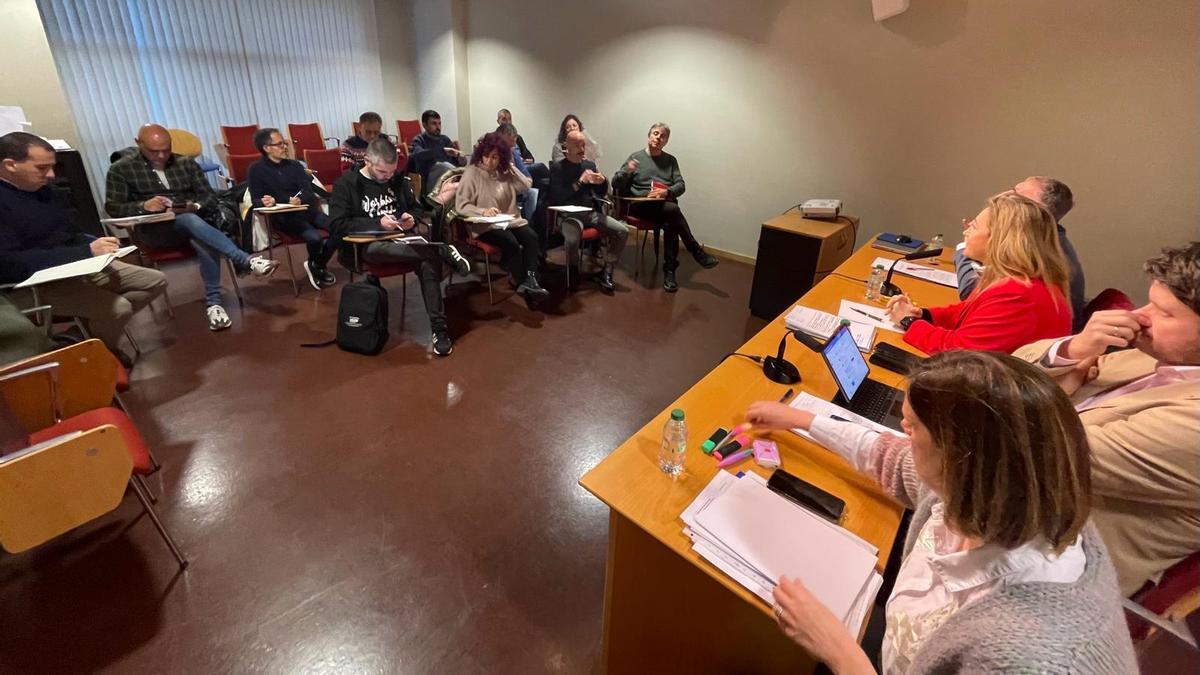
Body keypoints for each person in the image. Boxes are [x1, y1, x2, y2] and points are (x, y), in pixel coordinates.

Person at [745, 350, 1136, 673]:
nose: (902, 431)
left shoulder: (1029, 656)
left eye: (913, 427)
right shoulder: (1003, 492)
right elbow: (892, 457)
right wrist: (802, 420)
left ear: (959, 457)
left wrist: (841, 654)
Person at [1014, 242, 1200, 596]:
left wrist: (1066, 388)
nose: (1140, 316)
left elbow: (1038, 451)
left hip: (1042, 575)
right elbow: (1014, 367)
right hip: (1009, 506)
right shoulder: (1155, 358)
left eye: (1165, 313)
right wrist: (1071, 352)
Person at [0, 132, 166, 363]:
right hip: (30, 286)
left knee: (154, 281)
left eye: (52, 167)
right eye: (41, 168)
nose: (51, 175)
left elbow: (70, 233)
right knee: (118, 308)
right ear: (10, 165)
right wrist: (85, 252)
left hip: (74, 268)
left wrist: (93, 243)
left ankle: (82, 338)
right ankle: (100, 356)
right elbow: (9, 264)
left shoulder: (46, 192)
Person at [105, 124, 278, 332]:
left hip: (195, 226)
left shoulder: (185, 164)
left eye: (166, 149)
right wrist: (143, 205)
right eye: (153, 151)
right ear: (138, 143)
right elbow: (114, 208)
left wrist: (194, 205)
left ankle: (214, 305)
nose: (161, 155)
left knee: (199, 233)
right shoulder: (121, 169)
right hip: (155, 232)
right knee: (192, 223)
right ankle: (245, 260)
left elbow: (208, 197)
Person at [328, 138, 471, 357]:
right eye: (382, 172)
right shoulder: (346, 183)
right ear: (367, 160)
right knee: (414, 253)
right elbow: (337, 225)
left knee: (426, 261)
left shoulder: (397, 180)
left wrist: (410, 218)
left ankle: (439, 329)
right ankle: (441, 249)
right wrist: (377, 223)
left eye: (392, 171)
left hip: (402, 241)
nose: (388, 177)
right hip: (367, 246)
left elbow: (415, 209)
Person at [885, 192, 1071, 354]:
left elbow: (961, 352)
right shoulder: (1011, 278)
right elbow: (966, 313)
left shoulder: (1019, 294)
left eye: (973, 226)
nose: (965, 232)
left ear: (998, 239)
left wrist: (908, 321)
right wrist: (924, 315)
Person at [955, 176, 1088, 329]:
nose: (1005, 195)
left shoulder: (1038, 252)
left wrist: (966, 246)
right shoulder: (1049, 241)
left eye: (1016, 193)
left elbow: (971, 293)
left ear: (1032, 210)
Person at [612, 122, 718, 292]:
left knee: (671, 222)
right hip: (640, 204)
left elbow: (681, 185)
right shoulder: (635, 158)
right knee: (673, 211)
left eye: (663, 136)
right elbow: (615, 183)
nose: (658, 138)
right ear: (648, 136)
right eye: (655, 133)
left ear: (666, 141)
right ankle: (695, 251)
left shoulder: (670, 161)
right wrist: (627, 172)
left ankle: (670, 271)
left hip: (663, 206)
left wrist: (665, 192)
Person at [455, 132, 548, 305]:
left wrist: (512, 168)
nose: (490, 161)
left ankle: (531, 280)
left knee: (531, 237)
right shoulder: (472, 173)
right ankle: (525, 287)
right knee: (511, 242)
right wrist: (483, 211)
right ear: (481, 154)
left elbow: (526, 185)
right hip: (485, 226)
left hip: (509, 220)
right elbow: (462, 206)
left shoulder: (504, 172)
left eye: (495, 157)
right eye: (486, 156)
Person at [248, 128, 339, 289]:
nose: (284, 147)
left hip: (306, 210)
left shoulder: (295, 165)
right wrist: (267, 202)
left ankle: (317, 264)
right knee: (314, 237)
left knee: (339, 228)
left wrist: (300, 199)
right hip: (284, 217)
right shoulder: (256, 170)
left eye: (284, 143)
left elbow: (309, 192)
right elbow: (255, 200)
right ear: (266, 148)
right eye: (279, 144)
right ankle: (318, 266)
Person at [548, 130, 629, 293]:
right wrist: (579, 182)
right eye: (577, 145)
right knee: (573, 234)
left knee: (622, 231)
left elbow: (599, 194)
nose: (582, 149)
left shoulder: (589, 166)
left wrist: (602, 182)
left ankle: (607, 270)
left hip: (590, 214)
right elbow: (558, 198)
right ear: (567, 147)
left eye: (583, 145)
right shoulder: (557, 168)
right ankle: (572, 270)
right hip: (567, 215)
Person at [406, 109, 465, 191]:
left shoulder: (445, 139)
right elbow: (418, 154)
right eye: (434, 123)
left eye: (439, 123)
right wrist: (443, 151)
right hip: (430, 179)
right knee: (445, 166)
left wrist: (461, 158)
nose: (438, 127)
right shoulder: (419, 140)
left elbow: (459, 163)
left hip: (451, 178)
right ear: (424, 125)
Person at [496, 123, 539, 224]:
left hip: (514, 190)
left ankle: (528, 224)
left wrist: (513, 168)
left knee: (532, 192)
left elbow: (528, 181)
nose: (507, 150)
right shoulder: (488, 155)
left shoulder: (513, 153)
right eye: (505, 145)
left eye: (511, 146)